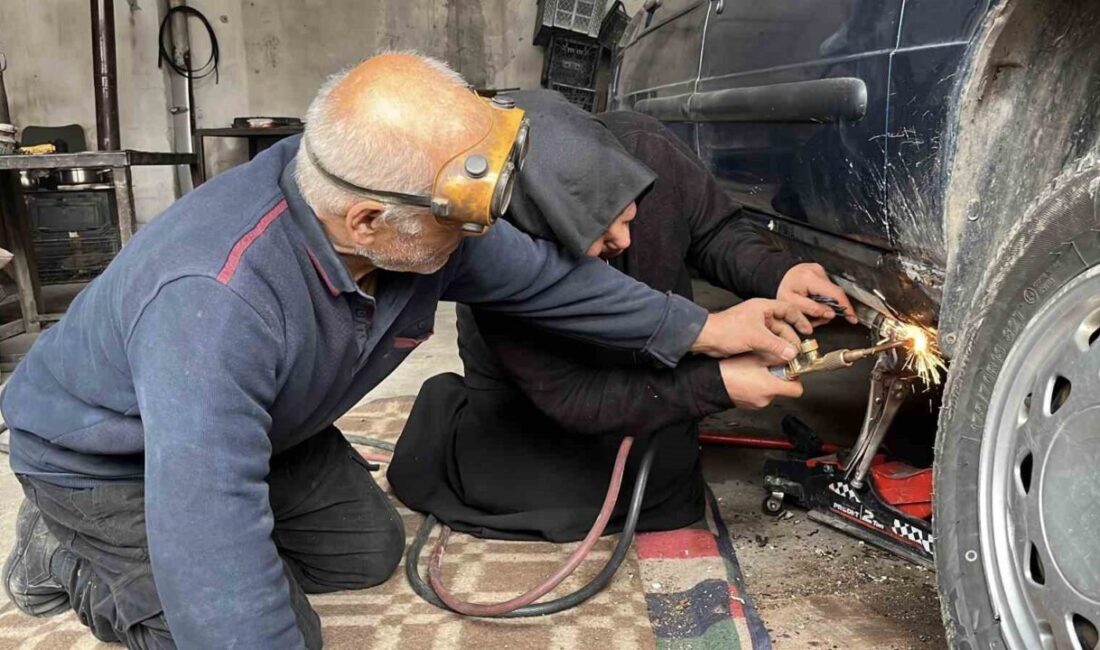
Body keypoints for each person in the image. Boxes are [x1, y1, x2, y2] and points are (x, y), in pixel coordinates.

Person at [0, 54, 814, 649]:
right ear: (367, 223)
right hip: (105, 458)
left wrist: (707, 330)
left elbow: (550, 285)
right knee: (254, 616)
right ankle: (64, 554)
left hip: (263, 423)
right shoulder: (215, 306)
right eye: (463, 221)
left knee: (365, 552)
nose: (481, 234)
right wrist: (214, 582)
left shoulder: (390, 203)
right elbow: (211, 535)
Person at [389, 91, 856, 542]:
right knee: (550, 501)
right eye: (600, 237)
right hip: (544, 396)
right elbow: (574, 397)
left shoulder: (645, 147)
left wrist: (778, 274)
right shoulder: (500, 259)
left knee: (666, 494)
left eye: (630, 218)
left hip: (648, 366)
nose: (625, 243)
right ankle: (447, 411)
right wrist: (716, 384)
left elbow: (714, 229)